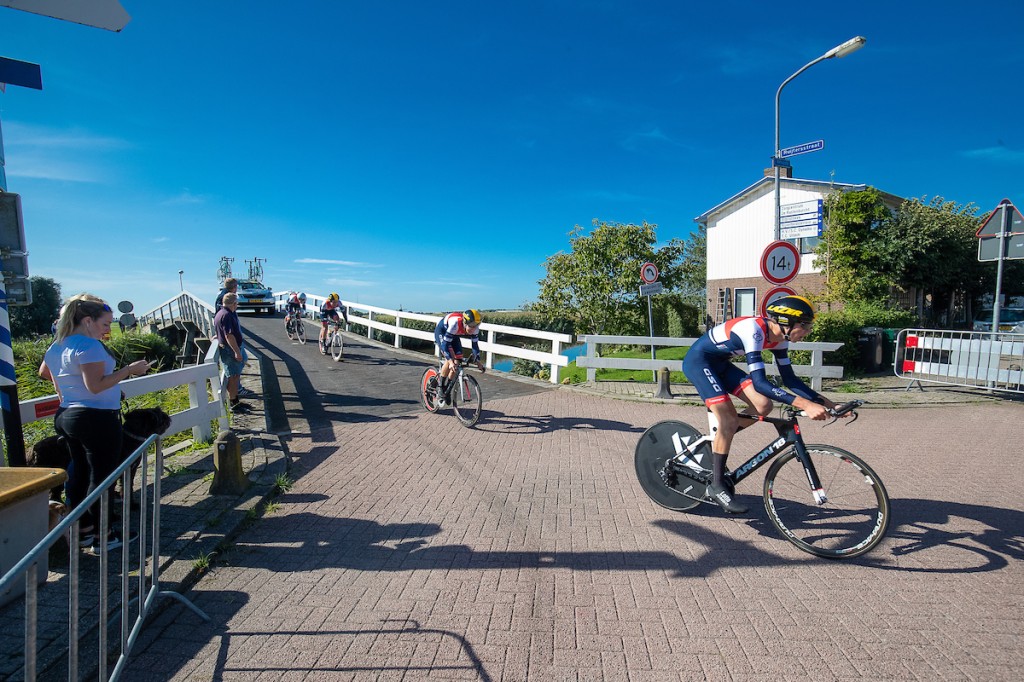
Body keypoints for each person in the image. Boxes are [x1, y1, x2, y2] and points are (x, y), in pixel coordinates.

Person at [681, 295, 847, 514]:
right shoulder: (754, 331)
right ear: (785, 323)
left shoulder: (781, 339)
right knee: (728, 418)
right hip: (699, 363)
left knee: (763, 406)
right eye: (805, 326)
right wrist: (804, 405)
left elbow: (790, 380)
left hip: (720, 364)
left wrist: (829, 404)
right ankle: (717, 485)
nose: (808, 331)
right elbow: (760, 382)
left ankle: (722, 435)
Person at [40, 294, 151, 551]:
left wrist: (65, 393)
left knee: (79, 473)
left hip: (68, 415)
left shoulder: (57, 345)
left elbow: (46, 372)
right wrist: (127, 371)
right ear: (88, 321)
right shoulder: (89, 346)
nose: (106, 330)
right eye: (104, 324)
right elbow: (95, 386)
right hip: (96, 418)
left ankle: (84, 530)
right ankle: (105, 536)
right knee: (103, 478)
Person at [433, 309, 485, 407]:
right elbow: (445, 345)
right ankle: (440, 387)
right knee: (451, 360)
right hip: (442, 331)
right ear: (465, 323)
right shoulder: (455, 323)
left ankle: (447, 390)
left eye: (476, 325)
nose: (474, 328)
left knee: (458, 360)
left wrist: (478, 361)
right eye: (471, 326)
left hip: (454, 335)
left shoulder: (475, 327)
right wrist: (450, 361)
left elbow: (475, 346)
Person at [214, 292, 249, 411]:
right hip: (230, 350)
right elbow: (229, 335)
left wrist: (217, 336)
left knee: (234, 375)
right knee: (233, 376)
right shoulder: (227, 315)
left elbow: (222, 331)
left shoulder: (221, 313)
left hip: (228, 348)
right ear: (234, 303)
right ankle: (234, 403)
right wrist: (237, 352)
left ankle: (235, 400)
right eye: (237, 303)